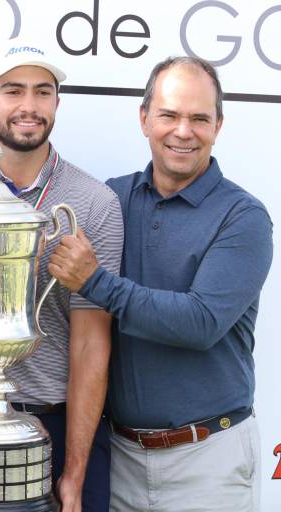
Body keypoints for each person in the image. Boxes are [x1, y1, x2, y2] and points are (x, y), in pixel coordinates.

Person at [48, 56, 273, 512]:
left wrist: (95, 282)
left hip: (209, 461)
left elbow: (200, 322)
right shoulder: (113, 199)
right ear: (144, 117)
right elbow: (42, 199)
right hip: (120, 460)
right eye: (169, 115)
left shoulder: (243, 217)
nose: (183, 131)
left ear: (219, 125)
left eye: (199, 118)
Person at [0, 43, 124, 511]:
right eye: (13, 91)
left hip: (56, 424)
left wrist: (74, 472)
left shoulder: (93, 203)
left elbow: (90, 344)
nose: (29, 106)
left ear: (57, 103)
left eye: (43, 92)